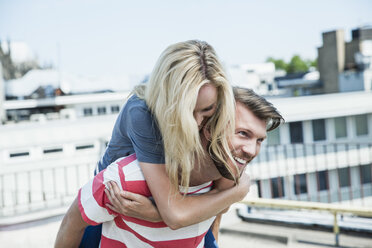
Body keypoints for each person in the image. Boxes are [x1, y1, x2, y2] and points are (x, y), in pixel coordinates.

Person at [64, 40, 245, 247]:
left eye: (206, 110)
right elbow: (174, 213)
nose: (196, 122)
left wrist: (212, 218)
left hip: (177, 207)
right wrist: (237, 192)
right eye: (187, 111)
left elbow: (213, 194)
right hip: (114, 210)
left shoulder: (218, 110)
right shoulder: (141, 113)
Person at [54, 87, 284, 247]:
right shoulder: (131, 170)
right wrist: (160, 213)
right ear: (210, 128)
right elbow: (71, 224)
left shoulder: (229, 173)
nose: (252, 150)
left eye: (260, 140)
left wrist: (235, 191)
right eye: (243, 134)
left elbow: (214, 214)